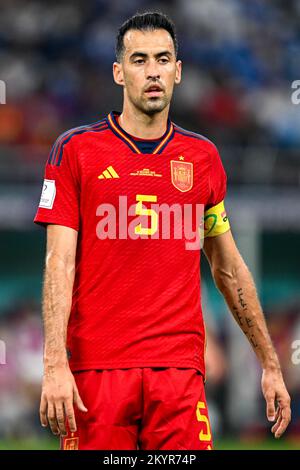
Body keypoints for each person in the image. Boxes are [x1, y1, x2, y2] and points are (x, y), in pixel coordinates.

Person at [34, 11, 291, 450]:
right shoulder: (75, 151)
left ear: (178, 70)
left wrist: (270, 363)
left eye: (162, 58)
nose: (152, 70)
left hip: (179, 374)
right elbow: (60, 261)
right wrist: (54, 363)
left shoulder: (202, 158)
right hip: (98, 371)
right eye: (138, 60)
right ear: (118, 72)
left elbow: (227, 267)